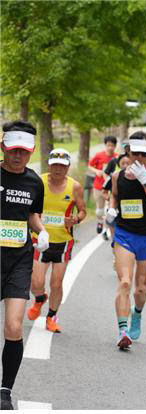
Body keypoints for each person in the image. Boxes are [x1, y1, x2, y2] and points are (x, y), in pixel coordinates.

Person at [0, 121, 48, 410]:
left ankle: (5, 390)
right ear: (4, 146)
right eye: (14, 150)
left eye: (25, 152)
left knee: (14, 325)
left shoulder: (34, 182)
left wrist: (41, 231)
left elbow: (32, 214)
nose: (19, 156)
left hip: (18, 259)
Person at [107, 132, 146, 349]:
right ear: (128, 153)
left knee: (140, 288)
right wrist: (112, 209)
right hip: (125, 234)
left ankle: (137, 314)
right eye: (136, 154)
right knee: (124, 281)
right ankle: (123, 330)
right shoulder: (117, 177)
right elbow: (114, 195)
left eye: (144, 155)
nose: (140, 158)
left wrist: (145, 183)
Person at [27, 149, 87, 333]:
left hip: (63, 242)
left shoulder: (75, 187)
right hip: (40, 238)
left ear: (68, 166)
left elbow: (82, 211)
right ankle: (39, 299)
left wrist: (76, 219)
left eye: (62, 165)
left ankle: (51, 317)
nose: (58, 169)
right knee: (36, 282)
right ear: (49, 165)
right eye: (55, 165)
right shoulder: (39, 181)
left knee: (56, 283)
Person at [88, 135, 117, 238]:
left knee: (109, 209)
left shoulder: (117, 157)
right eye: (108, 145)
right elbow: (89, 165)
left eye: (112, 145)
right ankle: (100, 221)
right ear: (105, 145)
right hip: (99, 186)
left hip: (112, 187)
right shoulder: (99, 155)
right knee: (100, 210)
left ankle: (106, 230)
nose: (110, 147)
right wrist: (97, 171)